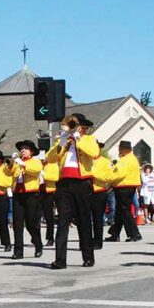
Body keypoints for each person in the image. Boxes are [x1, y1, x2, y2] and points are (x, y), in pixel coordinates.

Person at [45, 113, 99, 269]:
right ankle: (60, 260)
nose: (73, 128)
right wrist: (61, 142)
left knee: (83, 221)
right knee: (62, 222)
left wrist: (78, 139)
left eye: (77, 125)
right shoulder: (63, 141)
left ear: (82, 128)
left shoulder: (89, 139)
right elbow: (50, 158)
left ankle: (88, 257)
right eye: (72, 125)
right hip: (63, 184)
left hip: (82, 183)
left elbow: (94, 153)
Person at [8, 140, 44, 259]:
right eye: (21, 149)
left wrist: (22, 164)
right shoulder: (18, 163)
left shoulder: (36, 161)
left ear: (31, 151)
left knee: (31, 223)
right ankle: (18, 251)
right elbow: (9, 173)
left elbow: (35, 171)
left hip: (31, 194)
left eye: (25, 148)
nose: (22, 150)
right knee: (17, 224)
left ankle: (38, 244)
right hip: (18, 194)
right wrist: (13, 163)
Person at [106, 141, 143, 243]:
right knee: (120, 210)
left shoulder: (124, 160)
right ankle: (115, 233)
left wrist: (109, 178)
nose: (119, 151)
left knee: (124, 210)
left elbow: (119, 174)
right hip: (130, 186)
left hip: (123, 186)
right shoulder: (133, 159)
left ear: (124, 149)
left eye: (120, 149)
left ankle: (134, 233)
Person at [89, 142, 116, 250]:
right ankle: (86, 241)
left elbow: (109, 177)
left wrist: (92, 173)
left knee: (97, 218)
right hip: (85, 191)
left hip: (99, 191)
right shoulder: (85, 161)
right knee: (84, 218)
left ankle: (97, 241)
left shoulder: (105, 162)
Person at [39, 156, 59, 248]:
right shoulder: (36, 164)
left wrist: (44, 174)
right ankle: (35, 237)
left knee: (48, 216)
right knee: (34, 216)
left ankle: (50, 238)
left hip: (48, 192)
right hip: (36, 191)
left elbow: (55, 177)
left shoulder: (52, 164)